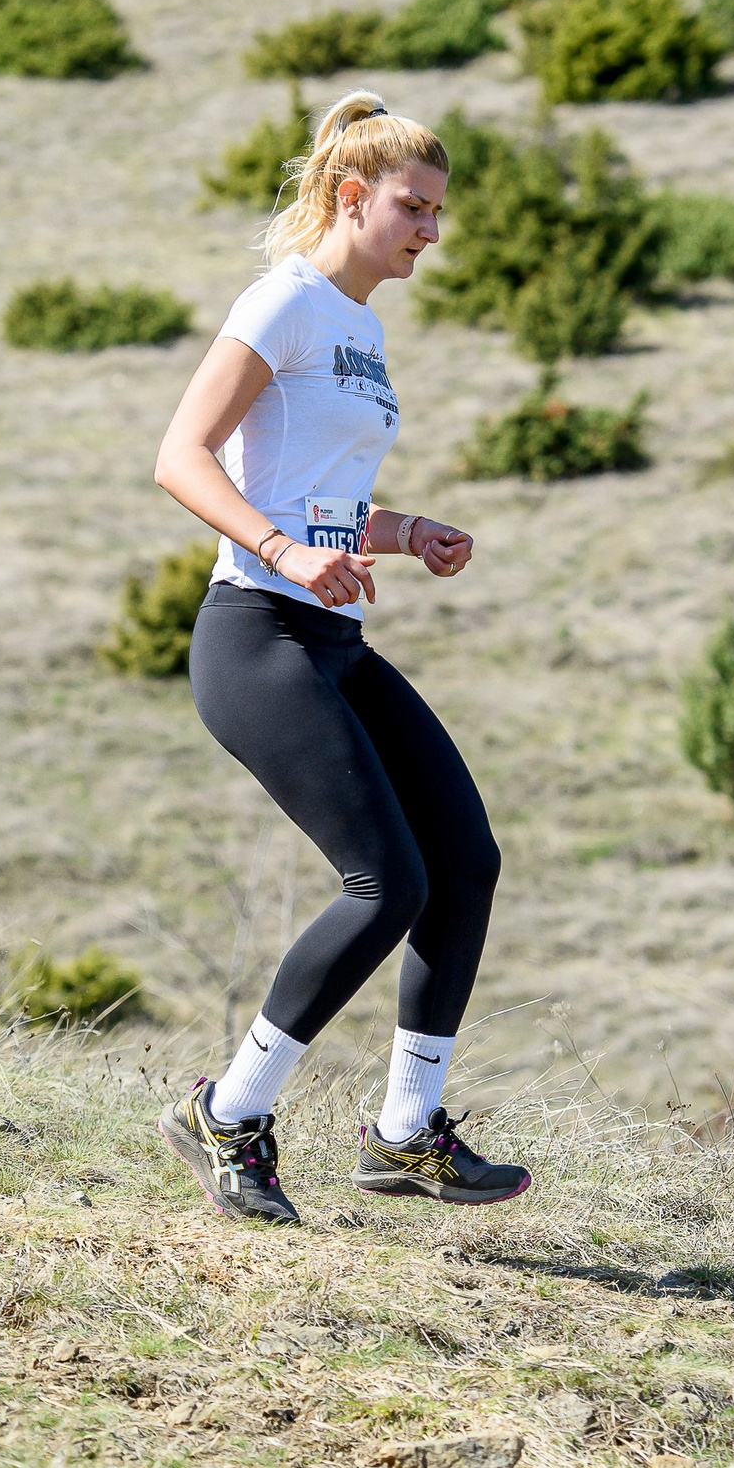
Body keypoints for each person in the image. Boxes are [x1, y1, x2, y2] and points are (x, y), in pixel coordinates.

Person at [148, 90, 529, 1226]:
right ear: (349, 197)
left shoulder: (359, 328)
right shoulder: (287, 302)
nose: (430, 229)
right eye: (412, 206)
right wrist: (277, 551)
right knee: (386, 881)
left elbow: (314, 503)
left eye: (439, 212)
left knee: (464, 863)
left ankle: (405, 1131)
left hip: (327, 630)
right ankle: (229, 1110)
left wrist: (402, 534)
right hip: (254, 634)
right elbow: (181, 455)